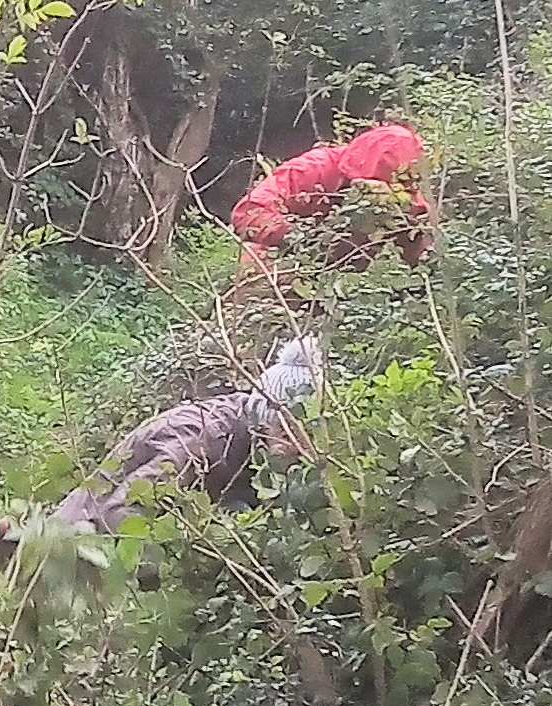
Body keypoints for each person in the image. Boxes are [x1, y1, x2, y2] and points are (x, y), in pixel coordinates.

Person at [54, 337, 320, 534]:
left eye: (307, 432)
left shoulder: (250, 431)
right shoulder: (202, 441)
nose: (299, 446)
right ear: (264, 418)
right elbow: (124, 511)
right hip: (75, 536)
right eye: (288, 431)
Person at [229, 123, 432, 304]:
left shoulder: (407, 201)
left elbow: (422, 255)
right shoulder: (314, 168)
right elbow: (250, 210)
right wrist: (299, 240)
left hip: (345, 284)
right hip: (285, 266)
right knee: (255, 263)